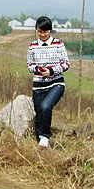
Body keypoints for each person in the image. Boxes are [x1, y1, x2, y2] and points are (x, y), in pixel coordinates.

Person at [27, 16, 70, 148]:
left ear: (50, 31)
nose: (43, 34)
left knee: (46, 106)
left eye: (45, 32)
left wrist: (52, 71)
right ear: (36, 31)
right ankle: (40, 140)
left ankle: (45, 136)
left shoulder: (58, 44)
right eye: (40, 32)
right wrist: (38, 69)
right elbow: (29, 65)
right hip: (39, 83)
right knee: (39, 111)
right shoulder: (32, 46)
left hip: (56, 82)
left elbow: (66, 64)